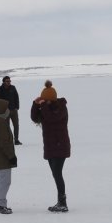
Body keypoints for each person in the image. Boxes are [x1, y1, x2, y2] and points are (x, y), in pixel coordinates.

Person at [30, 80, 70, 213]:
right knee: (55, 173)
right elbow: (35, 118)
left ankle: (63, 202)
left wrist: (44, 106)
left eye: (45, 100)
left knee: (57, 173)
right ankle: (61, 201)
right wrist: (35, 105)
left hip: (60, 145)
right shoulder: (45, 109)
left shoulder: (61, 108)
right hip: (50, 145)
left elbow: (52, 118)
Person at [0, 76, 22, 145]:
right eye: (7, 81)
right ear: (4, 82)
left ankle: (16, 139)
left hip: (14, 109)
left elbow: (16, 97)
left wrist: (17, 107)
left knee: (16, 125)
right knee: (7, 126)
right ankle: (8, 140)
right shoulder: (1, 89)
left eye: (9, 81)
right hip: (6, 110)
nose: (9, 82)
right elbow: (0, 100)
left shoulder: (13, 87)